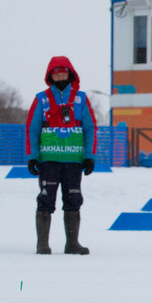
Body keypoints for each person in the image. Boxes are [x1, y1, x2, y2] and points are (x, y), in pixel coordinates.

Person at [25, 56, 98, 255]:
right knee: (46, 199)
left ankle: (72, 244)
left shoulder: (81, 98)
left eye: (63, 72)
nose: (60, 75)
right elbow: (32, 128)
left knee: (73, 199)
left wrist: (90, 156)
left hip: (74, 161)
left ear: (70, 74)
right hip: (49, 160)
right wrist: (32, 156)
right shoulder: (41, 98)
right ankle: (43, 244)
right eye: (56, 72)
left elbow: (90, 128)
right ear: (50, 76)